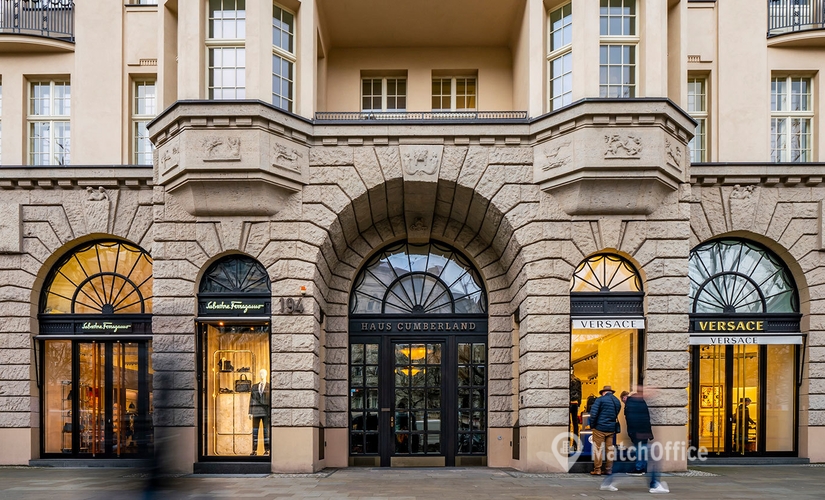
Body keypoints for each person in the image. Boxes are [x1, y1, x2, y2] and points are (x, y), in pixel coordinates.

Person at [602, 387, 668, 494]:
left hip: (639, 435)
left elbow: (637, 420)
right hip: (640, 435)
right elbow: (639, 420)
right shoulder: (636, 402)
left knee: (638, 458)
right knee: (649, 459)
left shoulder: (633, 403)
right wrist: (642, 434)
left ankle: (609, 481)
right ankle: (653, 483)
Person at [588, 385, 621, 477]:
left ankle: (597, 469)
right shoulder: (617, 401)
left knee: (598, 449)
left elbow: (593, 414)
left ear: (603, 392)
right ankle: (608, 469)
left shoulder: (600, 400)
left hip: (599, 428)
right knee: (609, 449)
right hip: (611, 429)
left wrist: (592, 425)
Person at [248, 368, 270, 456]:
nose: (261, 375)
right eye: (260, 373)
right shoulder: (254, 387)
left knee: (266, 432)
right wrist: (250, 412)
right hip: (256, 412)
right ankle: (254, 450)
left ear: (266, 374)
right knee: (255, 432)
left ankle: (267, 450)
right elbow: (251, 400)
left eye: (263, 373)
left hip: (266, 412)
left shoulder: (270, 386)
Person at [570, 368, 582, 440]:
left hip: (568, 403)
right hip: (575, 402)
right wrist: (579, 403)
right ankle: (575, 441)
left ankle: (568, 440)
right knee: (575, 422)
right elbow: (580, 393)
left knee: (568, 423)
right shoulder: (578, 380)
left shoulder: (566, 379)